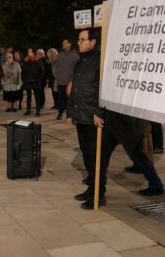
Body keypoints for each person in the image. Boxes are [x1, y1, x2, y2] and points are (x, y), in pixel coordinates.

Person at [91, 111, 165, 210]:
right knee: (103, 155)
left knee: (136, 155)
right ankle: (98, 193)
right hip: (118, 122)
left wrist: (99, 112)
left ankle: (156, 184)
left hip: (127, 124)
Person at [66, 28, 102, 208]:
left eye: (82, 40)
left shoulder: (100, 60)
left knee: (96, 158)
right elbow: (76, 87)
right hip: (81, 115)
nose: (78, 43)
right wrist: (70, 111)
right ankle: (91, 188)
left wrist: (99, 111)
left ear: (93, 41)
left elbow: (104, 90)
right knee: (87, 155)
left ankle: (98, 194)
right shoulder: (81, 60)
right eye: (79, 40)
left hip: (94, 117)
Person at [53, 39, 79, 120]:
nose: (63, 44)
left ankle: (70, 115)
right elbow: (54, 66)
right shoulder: (60, 55)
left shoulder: (74, 55)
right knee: (60, 98)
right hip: (60, 81)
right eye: (63, 43)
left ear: (70, 44)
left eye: (65, 43)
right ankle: (60, 113)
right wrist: (56, 75)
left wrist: (74, 79)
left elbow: (78, 68)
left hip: (70, 82)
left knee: (70, 99)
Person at [21, 49, 45, 116]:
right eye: (28, 52)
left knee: (37, 97)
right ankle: (28, 110)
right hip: (27, 81)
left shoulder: (38, 61)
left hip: (36, 81)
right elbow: (23, 71)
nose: (29, 53)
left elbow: (42, 71)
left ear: (33, 53)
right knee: (28, 97)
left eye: (30, 52)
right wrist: (24, 79)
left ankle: (38, 111)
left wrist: (39, 80)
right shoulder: (26, 61)